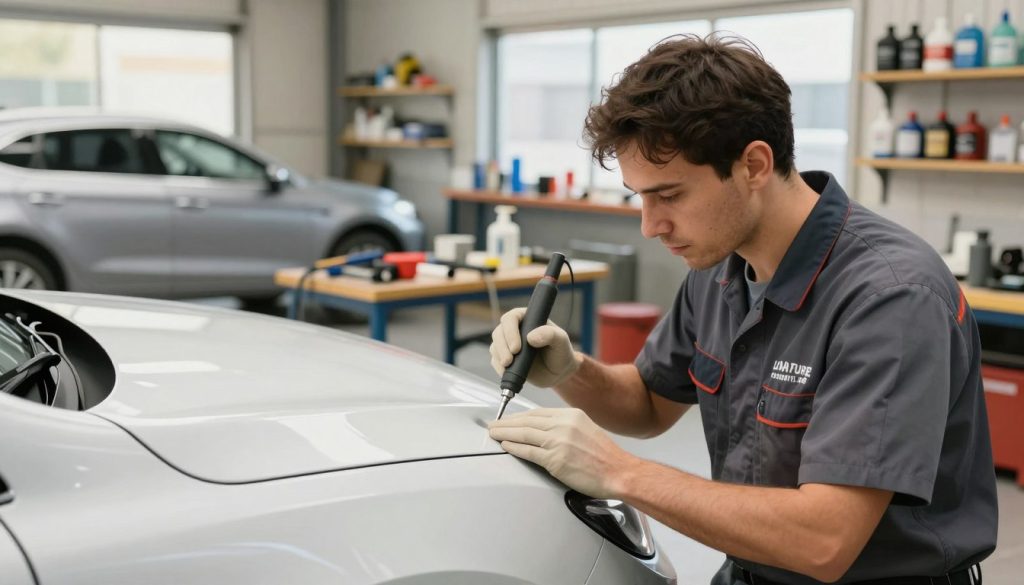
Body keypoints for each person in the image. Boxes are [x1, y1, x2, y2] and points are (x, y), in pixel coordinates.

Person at [487, 34, 997, 585]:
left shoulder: (891, 297)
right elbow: (648, 404)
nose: (650, 225)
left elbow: (826, 540)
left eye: (670, 195)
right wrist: (570, 371)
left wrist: (618, 473)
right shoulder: (718, 269)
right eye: (640, 197)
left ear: (754, 164)